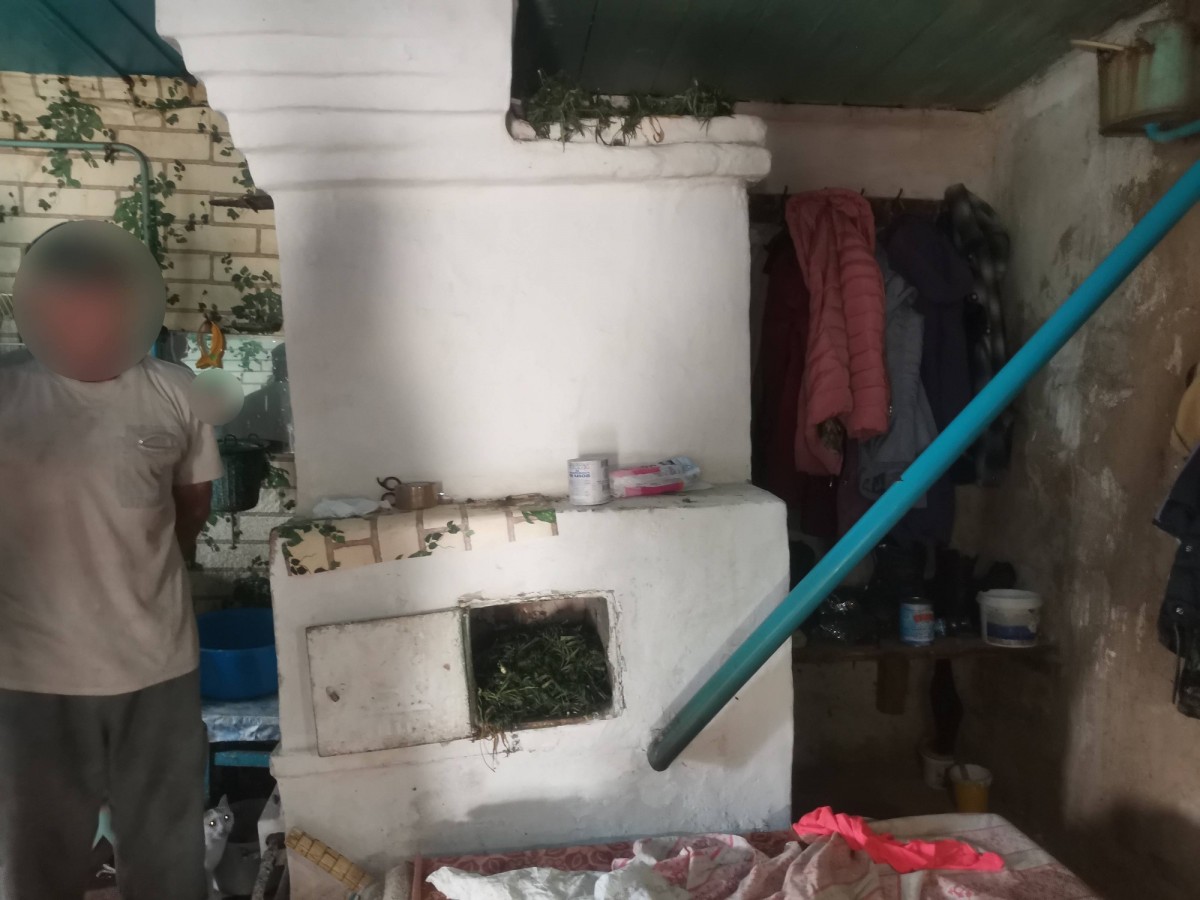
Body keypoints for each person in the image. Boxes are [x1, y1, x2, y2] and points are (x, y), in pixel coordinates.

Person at [0, 222, 222, 899]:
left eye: (104, 304)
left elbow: (190, 506)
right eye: (71, 306)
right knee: (38, 861)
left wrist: (140, 580)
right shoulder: (7, 392)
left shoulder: (177, 391)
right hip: (31, 674)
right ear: (40, 312)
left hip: (157, 666)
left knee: (167, 859)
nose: (88, 321)